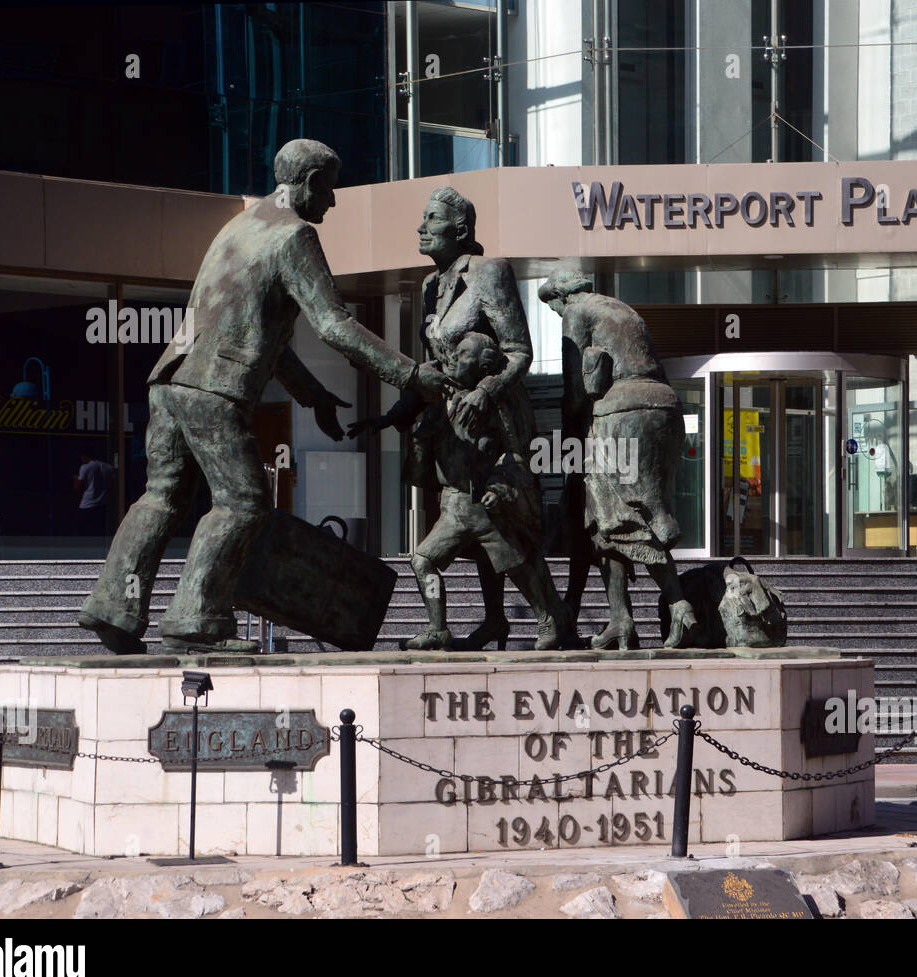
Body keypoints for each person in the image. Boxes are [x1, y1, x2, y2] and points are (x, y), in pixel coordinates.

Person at [78, 139, 448, 655]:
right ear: (313, 181)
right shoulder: (295, 235)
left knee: (161, 496)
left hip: (170, 381)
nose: (333, 204)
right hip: (214, 390)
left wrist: (313, 394)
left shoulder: (239, 226)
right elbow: (334, 325)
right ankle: (197, 618)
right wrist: (411, 376)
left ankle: (113, 610)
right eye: (331, 189)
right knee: (243, 503)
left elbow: (255, 329)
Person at [355, 185, 568, 650]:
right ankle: (497, 621)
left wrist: (487, 392)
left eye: (431, 219)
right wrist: (391, 416)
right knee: (476, 527)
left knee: (498, 522)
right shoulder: (431, 287)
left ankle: (544, 619)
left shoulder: (489, 273)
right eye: (424, 218)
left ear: (461, 229)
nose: (421, 227)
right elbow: (432, 368)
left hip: (494, 420)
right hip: (450, 422)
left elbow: (519, 352)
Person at [538, 268, 697, 650]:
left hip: (620, 414)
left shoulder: (578, 311)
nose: (559, 315)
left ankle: (679, 606)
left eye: (554, 309)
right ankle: (620, 620)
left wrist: (569, 436)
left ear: (560, 298)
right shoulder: (621, 309)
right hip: (662, 407)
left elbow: (573, 387)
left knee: (620, 518)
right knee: (605, 520)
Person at [398, 332, 571, 650]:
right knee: (423, 560)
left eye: (462, 355)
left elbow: (518, 453)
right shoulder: (439, 405)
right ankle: (439, 628)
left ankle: (547, 619)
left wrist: (500, 485)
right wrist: (421, 438)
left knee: (514, 564)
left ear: (482, 367)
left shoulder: (494, 407)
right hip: (453, 504)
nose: (453, 360)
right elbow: (419, 475)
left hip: (483, 505)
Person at [73, 451, 114, 536]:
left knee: (84, 531)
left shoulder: (86, 467)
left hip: (87, 504)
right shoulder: (108, 467)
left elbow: (77, 487)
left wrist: (75, 478)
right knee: (98, 531)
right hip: (102, 503)